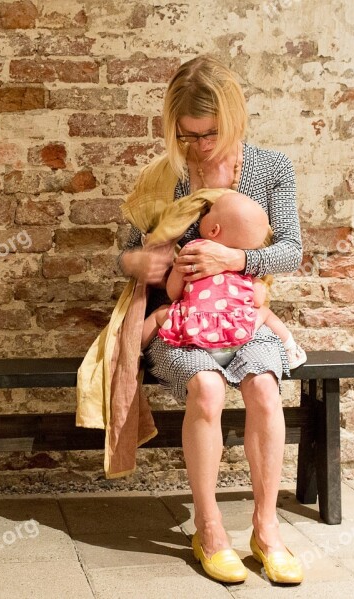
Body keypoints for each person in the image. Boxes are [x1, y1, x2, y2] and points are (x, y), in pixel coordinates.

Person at [119, 55, 305, 584]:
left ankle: (266, 529)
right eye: (188, 135)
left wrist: (236, 259)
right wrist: (141, 262)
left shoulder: (270, 169)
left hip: (245, 316)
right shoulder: (167, 176)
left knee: (264, 389)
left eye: (211, 134)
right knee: (205, 389)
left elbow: (291, 251)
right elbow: (126, 255)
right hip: (180, 319)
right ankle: (210, 528)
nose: (199, 146)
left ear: (235, 118)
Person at [141, 191, 308, 371]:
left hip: (195, 334)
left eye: (209, 211)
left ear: (214, 230)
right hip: (236, 335)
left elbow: (173, 293)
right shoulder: (245, 264)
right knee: (265, 312)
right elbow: (258, 300)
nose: (204, 213)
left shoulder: (193, 251)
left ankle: (135, 349)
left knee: (160, 312)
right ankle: (291, 349)